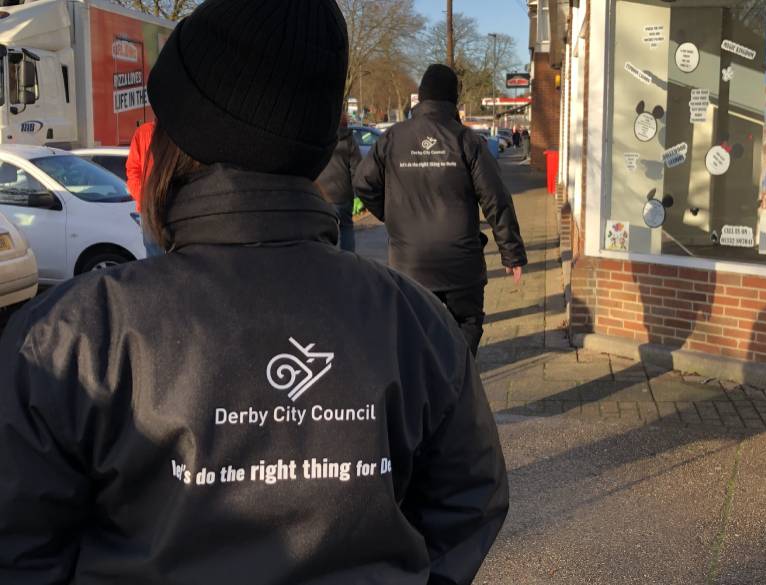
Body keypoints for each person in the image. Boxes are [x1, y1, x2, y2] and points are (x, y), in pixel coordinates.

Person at [0, 2, 508, 584]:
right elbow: (468, 500)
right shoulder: (416, 324)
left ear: (177, 140)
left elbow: (20, 546)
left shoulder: (71, 340)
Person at [355, 64, 527, 356]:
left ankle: (425, 381)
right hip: (461, 265)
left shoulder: (393, 138)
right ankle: (457, 378)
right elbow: (495, 197)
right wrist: (511, 252)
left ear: (421, 97)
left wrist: (392, 215)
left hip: (409, 264)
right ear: (453, 100)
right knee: (466, 325)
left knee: (415, 337)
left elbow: (363, 183)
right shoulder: (466, 141)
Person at [316, 113, 362, 252]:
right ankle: (348, 260)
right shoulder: (349, 140)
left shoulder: (319, 138)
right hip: (343, 194)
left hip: (321, 193)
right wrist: (358, 193)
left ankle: (327, 259)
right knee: (346, 228)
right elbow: (357, 169)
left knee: (323, 231)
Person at [126, 120, 163, 257]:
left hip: (175, 204)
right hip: (149, 209)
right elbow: (132, 171)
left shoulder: (178, 132)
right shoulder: (143, 133)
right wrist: (144, 198)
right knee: (154, 255)